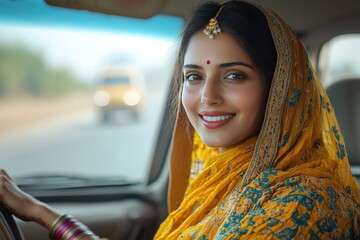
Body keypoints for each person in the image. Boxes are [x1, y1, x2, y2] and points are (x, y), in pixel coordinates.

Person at [0, 0, 359, 239]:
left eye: (234, 75)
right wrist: (38, 211)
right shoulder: (221, 179)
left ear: (281, 89)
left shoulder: (305, 202)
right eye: (193, 76)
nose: (207, 97)